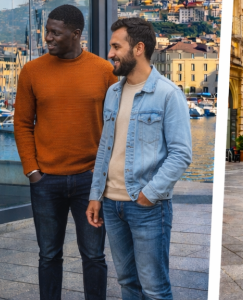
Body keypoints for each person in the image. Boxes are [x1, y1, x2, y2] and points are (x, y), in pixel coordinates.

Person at [14, 5, 118, 300]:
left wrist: (105, 173)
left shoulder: (104, 71)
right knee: (48, 255)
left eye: (54, 33)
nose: (47, 38)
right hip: (46, 182)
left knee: (94, 256)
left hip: (91, 182)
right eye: (46, 31)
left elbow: (118, 126)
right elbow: (22, 124)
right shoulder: (31, 71)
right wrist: (32, 172)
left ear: (76, 35)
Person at [86, 18, 192, 300]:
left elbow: (181, 153)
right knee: (127, 283)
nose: (110, 53)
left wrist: (150, 194)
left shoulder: (168, 94)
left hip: (147, 207)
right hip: (111, 205)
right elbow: (105, 147)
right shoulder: (112, 93)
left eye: (116, 46)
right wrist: (96, 195)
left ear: (138, 48)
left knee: (155, 289)